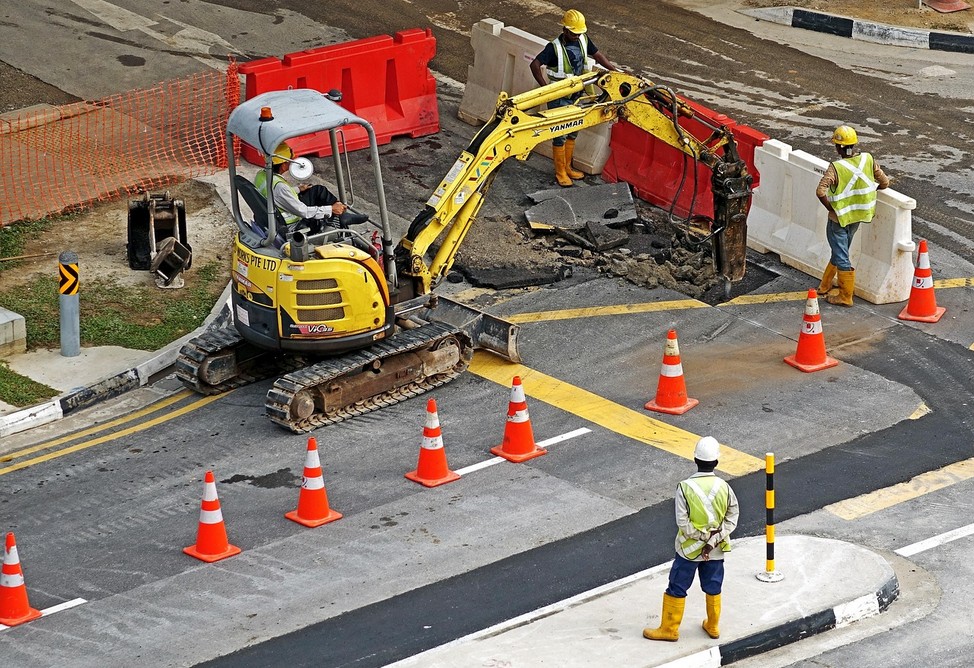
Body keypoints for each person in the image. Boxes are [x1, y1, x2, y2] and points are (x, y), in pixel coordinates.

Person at [644, 436, 739, 642]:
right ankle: (713, 626)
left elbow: (682, 522)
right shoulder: (725, 487)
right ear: (716, 462)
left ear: (695, 459)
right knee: (713, 585)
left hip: (689, 550)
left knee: (678, 585)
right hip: (715, 550)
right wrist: (713, 539)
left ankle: (669, 629)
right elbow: (732, 518)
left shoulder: (684, 487)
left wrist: (701, 537)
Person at [529, 9, 618, 187]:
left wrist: (614, 70)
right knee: (560, 134)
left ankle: (568, 167)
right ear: (565, 30)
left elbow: (597, 55)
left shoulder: (583, 39)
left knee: (572, 131)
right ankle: (560, 171)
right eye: (574, 33)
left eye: (579, 33)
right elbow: (535, 64)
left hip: (578, 96)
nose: (577, 36)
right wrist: (545, 88)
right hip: (559, 98)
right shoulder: (553, 48)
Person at [816, 124, 889, 306]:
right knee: (841, 249)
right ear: (854, 144)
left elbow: (820, 191)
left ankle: (845, 296)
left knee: (841, 254)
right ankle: (825, 285)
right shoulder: (868, 159)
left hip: (839, 218)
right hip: (858, 215)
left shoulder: (836, 167)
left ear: (838, 147)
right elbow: (885, 182)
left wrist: (831, 209)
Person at [254, 142, 368, 234]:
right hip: (292, 222)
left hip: (276, 210)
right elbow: (303, 211)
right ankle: (339, 213)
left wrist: (298, 189)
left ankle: (342, 214)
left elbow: (274, 194)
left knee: (318, 190)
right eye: (289, 161)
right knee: (322, 206)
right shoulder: (280, 186)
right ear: (283, 164)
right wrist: (330, 209)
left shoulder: (261, 175)